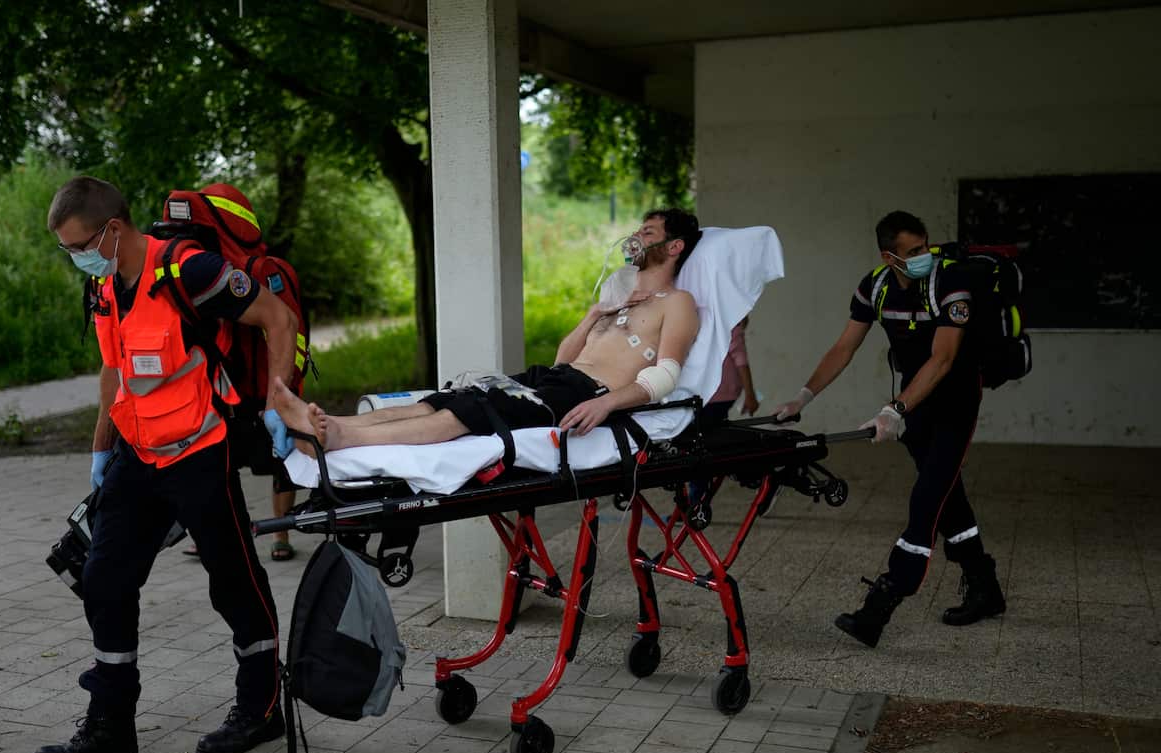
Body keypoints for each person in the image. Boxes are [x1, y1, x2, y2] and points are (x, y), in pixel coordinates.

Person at [32, 176, 298, 753]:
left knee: (233, 579)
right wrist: (101, 451)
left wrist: (279, 405)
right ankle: (110, 728)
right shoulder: (105, 286)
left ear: (113, 230)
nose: (76, 259)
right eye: (66, 250)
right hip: (138, 454)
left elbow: (277, 319)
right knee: (103, 580)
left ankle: (261, 708)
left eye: (79, 246)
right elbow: (113, 370)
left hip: (201, 451)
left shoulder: (189, 270)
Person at [271, 209, 702, 453]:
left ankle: (336, 440)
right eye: (637, 230)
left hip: (588, 392)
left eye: (647, 232)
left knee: (468, 416)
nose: (634, 238)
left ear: (674, 246)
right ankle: (329, 422)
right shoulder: (616, 295)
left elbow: (665, 375)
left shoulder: (678, 302)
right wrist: (594, 314)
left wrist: (606, 403)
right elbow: (562, 359)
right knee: (447, 400)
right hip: (555, 379)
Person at [772, 210, 1005, 648]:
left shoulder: (950, 282)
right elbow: (844, 347)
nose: (924, 256)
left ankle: (880, 605)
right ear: (888, 256)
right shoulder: (875, 286)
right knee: (947, 495)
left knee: (927, 499)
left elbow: (943, 359)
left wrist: (894, 410)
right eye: (913, 251)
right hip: (914, 404)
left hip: (954, 401)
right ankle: (984, 585)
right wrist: (804, 397)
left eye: (925, 246)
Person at [688, 315, 758, 507]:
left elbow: (741, 361)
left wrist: (750, 395)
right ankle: (746, 473)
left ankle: (696, 503)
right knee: (707, 443)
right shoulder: (707, 321)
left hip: (719, 395)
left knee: (700, 446)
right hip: (705, 395)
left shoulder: (729, 324)